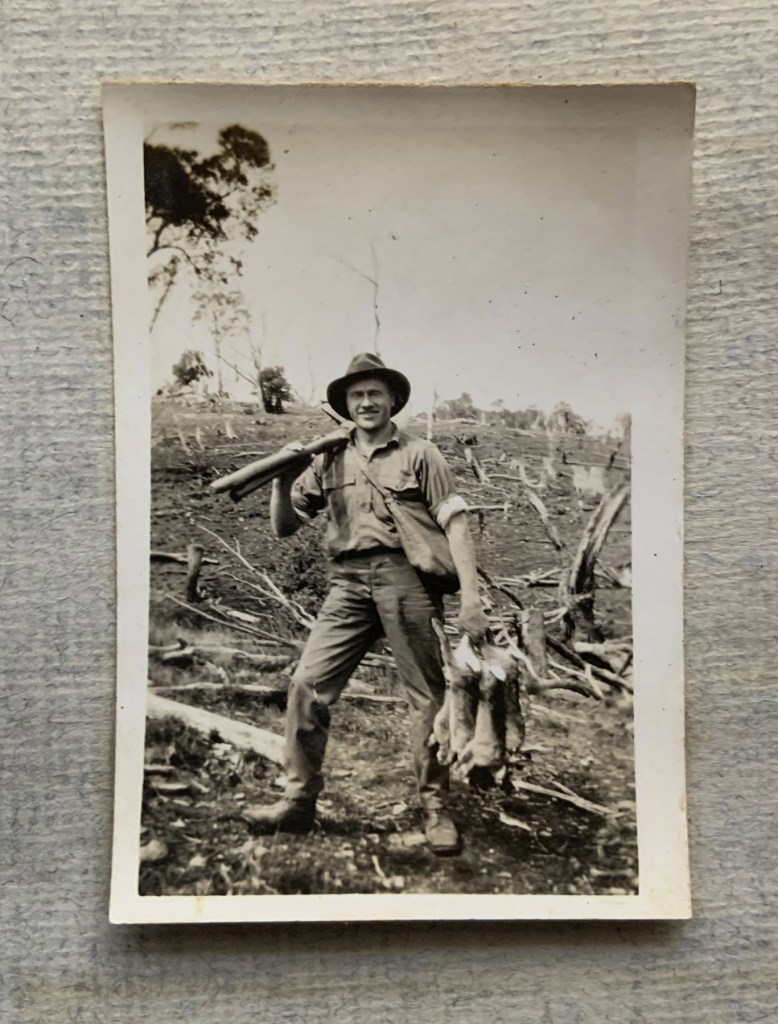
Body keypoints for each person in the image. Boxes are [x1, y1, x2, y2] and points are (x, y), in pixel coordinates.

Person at [243, 352, 490, 855]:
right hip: (347, 585)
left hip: (408, 580)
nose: (366, 402)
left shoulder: (422, 455)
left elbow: (456, 524)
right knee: (306, 685)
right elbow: (284, 527)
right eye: (356, 395)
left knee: (428, 699)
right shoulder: (328, 457)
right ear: (345, 405)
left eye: (375, 393)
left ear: (393, 399)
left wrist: (471, 599)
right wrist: (285, 477)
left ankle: (436, 808)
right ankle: (298, 802)